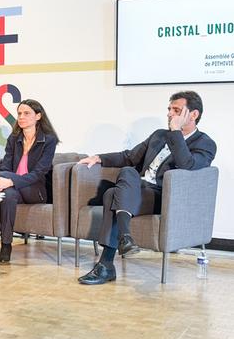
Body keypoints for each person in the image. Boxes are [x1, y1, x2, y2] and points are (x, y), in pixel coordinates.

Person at [77, 91, 216, 285]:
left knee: (111, 194)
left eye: (176, 110)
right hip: (137, 190)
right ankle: (123, 242)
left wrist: (176, 132)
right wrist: (99, 158)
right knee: (125, 175)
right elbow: (130, 157)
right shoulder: (159, 135)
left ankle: (107, 263)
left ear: (193, 115)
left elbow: (187, 164)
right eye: (169, 109)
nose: (169, 114)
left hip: (163, 196)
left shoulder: (205, 143)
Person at [0, 99, 59, 263]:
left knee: (7, 186)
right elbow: (5, 165)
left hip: (36, 190)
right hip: (14, 189)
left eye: (26, 113)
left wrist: (10, 180)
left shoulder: (49, 140)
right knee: (4, 192)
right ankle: (6, 244)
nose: (21, 117)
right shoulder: (14, 138)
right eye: (19, 113)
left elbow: (39, 173)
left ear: (38, 116)